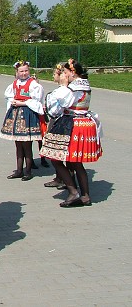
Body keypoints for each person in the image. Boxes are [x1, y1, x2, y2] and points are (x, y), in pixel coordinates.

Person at [40, 59, 102, 207]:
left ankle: (73, 191)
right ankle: (85, 196)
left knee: (54, 157)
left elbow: (61, 103)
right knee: (75, 162)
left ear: (73, 73)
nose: (64, 75)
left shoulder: (73, 87)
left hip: (72, 124)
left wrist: (62, 85)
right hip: (82, 123)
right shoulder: (83, 84)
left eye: (66, 72)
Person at [0, 61, 45, 181]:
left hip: (27, 114)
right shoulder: (14, 84)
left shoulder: (33, 84)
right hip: (15, 114)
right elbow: (9, 97)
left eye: (26, 71)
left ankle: (28, 171)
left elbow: (36, 101)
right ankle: (19, 170)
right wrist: (13, 102)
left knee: (27, 144)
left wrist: (22, 103)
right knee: (18, 144)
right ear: (17, 72)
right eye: (21, 71)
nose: (24, 73)